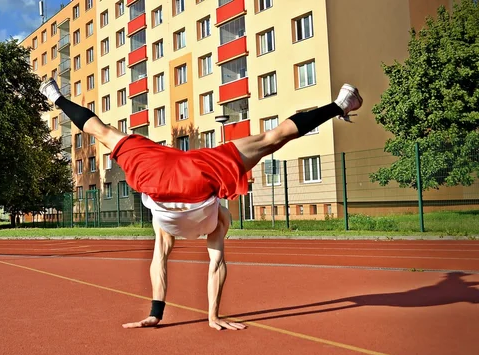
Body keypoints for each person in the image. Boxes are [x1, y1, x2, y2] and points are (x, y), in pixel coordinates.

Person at [39, 78, 363, 330]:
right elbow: (212, 267)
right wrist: (213, 316)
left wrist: (156, 312)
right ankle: (339, 105)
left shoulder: (194, 224)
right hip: (177, 172)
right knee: (271, 139)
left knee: (268, 140)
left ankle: (55, 97)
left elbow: (173, 265)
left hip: (172, 171)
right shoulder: (214, 222)